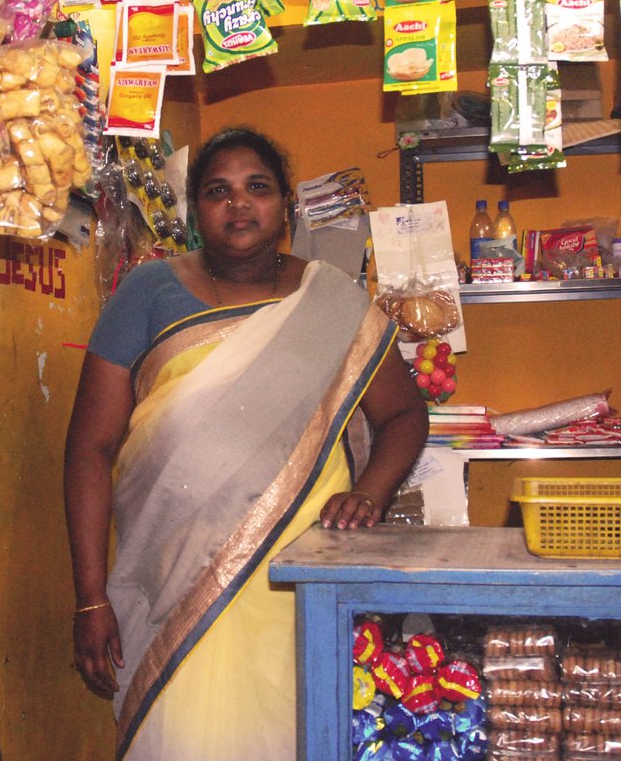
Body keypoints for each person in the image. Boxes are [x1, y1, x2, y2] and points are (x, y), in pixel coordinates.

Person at [64, 127, 429, 760]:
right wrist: (91, 598)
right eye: (217, 191)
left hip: (299, 578)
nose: (238, 204)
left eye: (256, 187)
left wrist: (370, 492)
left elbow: (403, 414)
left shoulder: (332, 300)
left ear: (285, 205)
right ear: (195, 210)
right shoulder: (146, 294)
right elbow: (89, 449)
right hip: (172, 578)